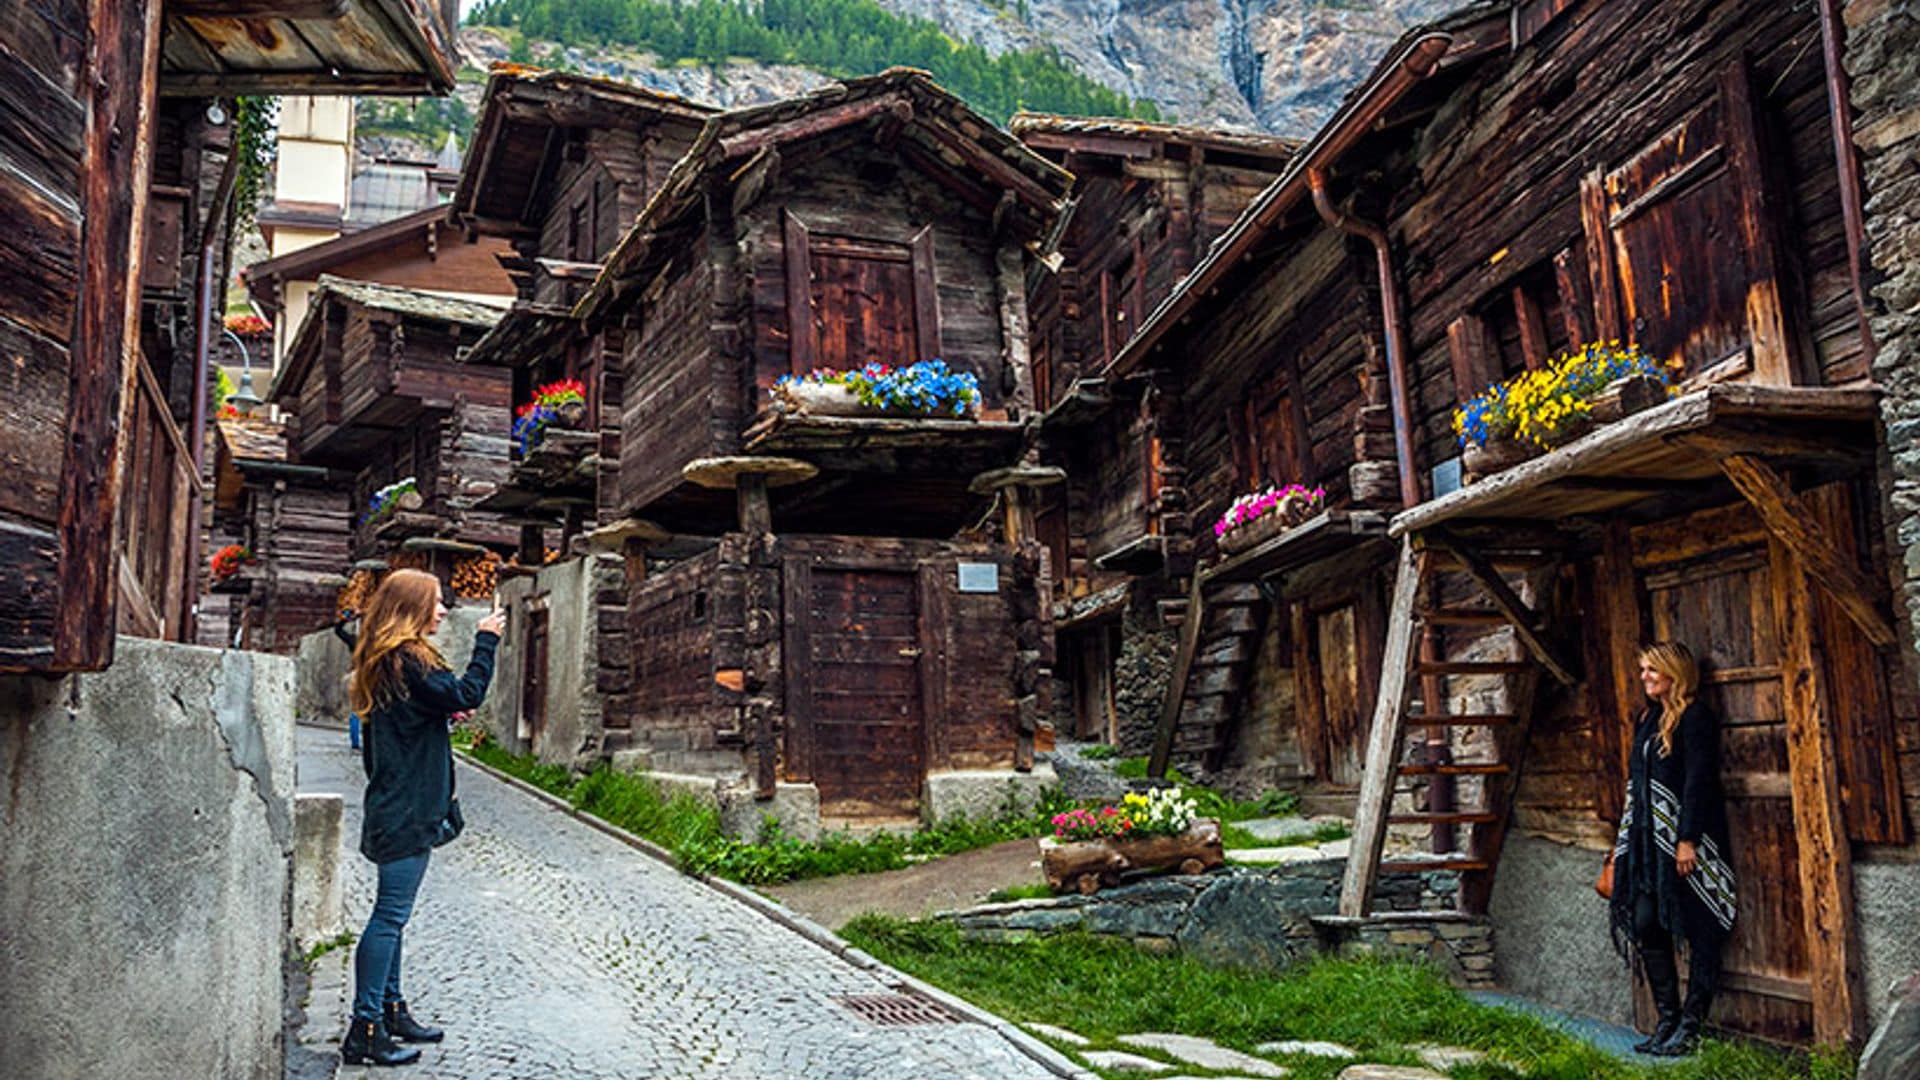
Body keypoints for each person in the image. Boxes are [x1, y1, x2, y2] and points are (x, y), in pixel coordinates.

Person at [341, 570, 506, 1067]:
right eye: (435, 603)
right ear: (412, 608)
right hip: (406, 808)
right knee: (389, 918)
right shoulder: (407, 658)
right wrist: (486, 642)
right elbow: (466, 693)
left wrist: (440, 714)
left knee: (395, 917)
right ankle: (365, 1029)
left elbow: (423, 710)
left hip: (398, 803)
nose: (442, 612)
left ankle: (390, 1010)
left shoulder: (390, 661)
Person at [1607, 642, 1737, 1057]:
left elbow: (1699, 780)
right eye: (1642, 669)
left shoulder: (1694, 718)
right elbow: (1638, 784)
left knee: (1703, 931)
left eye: (1652, 670)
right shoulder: (1650, 718)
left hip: (1687, 844)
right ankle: (1667, 1019)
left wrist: (1687, 839)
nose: (1644, 677)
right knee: (1647, 922)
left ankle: (1690, 1026)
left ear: (1673, 673)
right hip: (1649, 848)